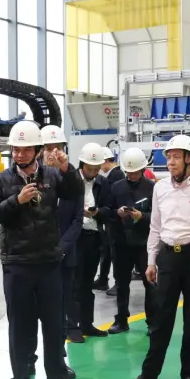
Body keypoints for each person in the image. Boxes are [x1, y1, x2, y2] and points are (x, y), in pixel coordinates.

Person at [0, 120, 90, 379]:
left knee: (54, 325)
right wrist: (16, 201)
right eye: (15, 150)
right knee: (20, 327)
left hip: (48, 263)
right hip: (17, 264)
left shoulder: (53, 175)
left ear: (36, 150)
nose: (19, 154)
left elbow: (74, 192)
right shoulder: (2, 181)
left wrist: (67, 169)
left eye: (25, 149)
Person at [124, 135, 190, 379]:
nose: (170, 162)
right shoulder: (160, 188)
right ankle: (149, 376)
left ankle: (188, 375)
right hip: (168, 257)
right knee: (161, 319)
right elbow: (155, 226)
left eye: (176, 157)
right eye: (168, 157)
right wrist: (151, 260)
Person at [26, 125, 81, 378]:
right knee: (29, 313)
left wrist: (61, 248)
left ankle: (58, 360)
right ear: (39, 151)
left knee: (58, 313)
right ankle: (28, 360)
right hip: (35, 257)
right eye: (48, 148)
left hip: (63, 257)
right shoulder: (30, 178)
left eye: (57, 148)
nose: (52, 153)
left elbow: (77, 220)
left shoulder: (72, 178)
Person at [106, 147, 156, 335]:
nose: (132, 175)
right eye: (129, 172)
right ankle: (121, 319)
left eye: (135, 172)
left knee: (149, 283)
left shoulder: (152, 188)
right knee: (121, 283)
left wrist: (141, 216)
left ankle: (152, 321)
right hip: (121, 243)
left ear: (142, 169)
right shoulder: (116, 187)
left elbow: (158, 217)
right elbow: (107, 211)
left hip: (144, 243)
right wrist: (116, 213)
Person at [72, 142, 112, 341]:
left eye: (97, 169)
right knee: (74, 284)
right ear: (82, 164)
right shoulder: (71, 180)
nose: (94, 173)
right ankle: (72, 327)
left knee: (87, 284)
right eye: (90, 169)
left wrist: (97, 213)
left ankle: (87, 324)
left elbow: (109, 209)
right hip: (74, 238)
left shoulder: (102, 183)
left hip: (93, 237)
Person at [94, 146, 124, 294]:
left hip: (115, 220)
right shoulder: (112, 175)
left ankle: (118, 283)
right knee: (106, 250)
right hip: (111, 219)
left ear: (106, 161)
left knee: (115, 252)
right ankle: (103, 279)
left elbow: (110, 199)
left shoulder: (116, 176)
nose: (99, 167)